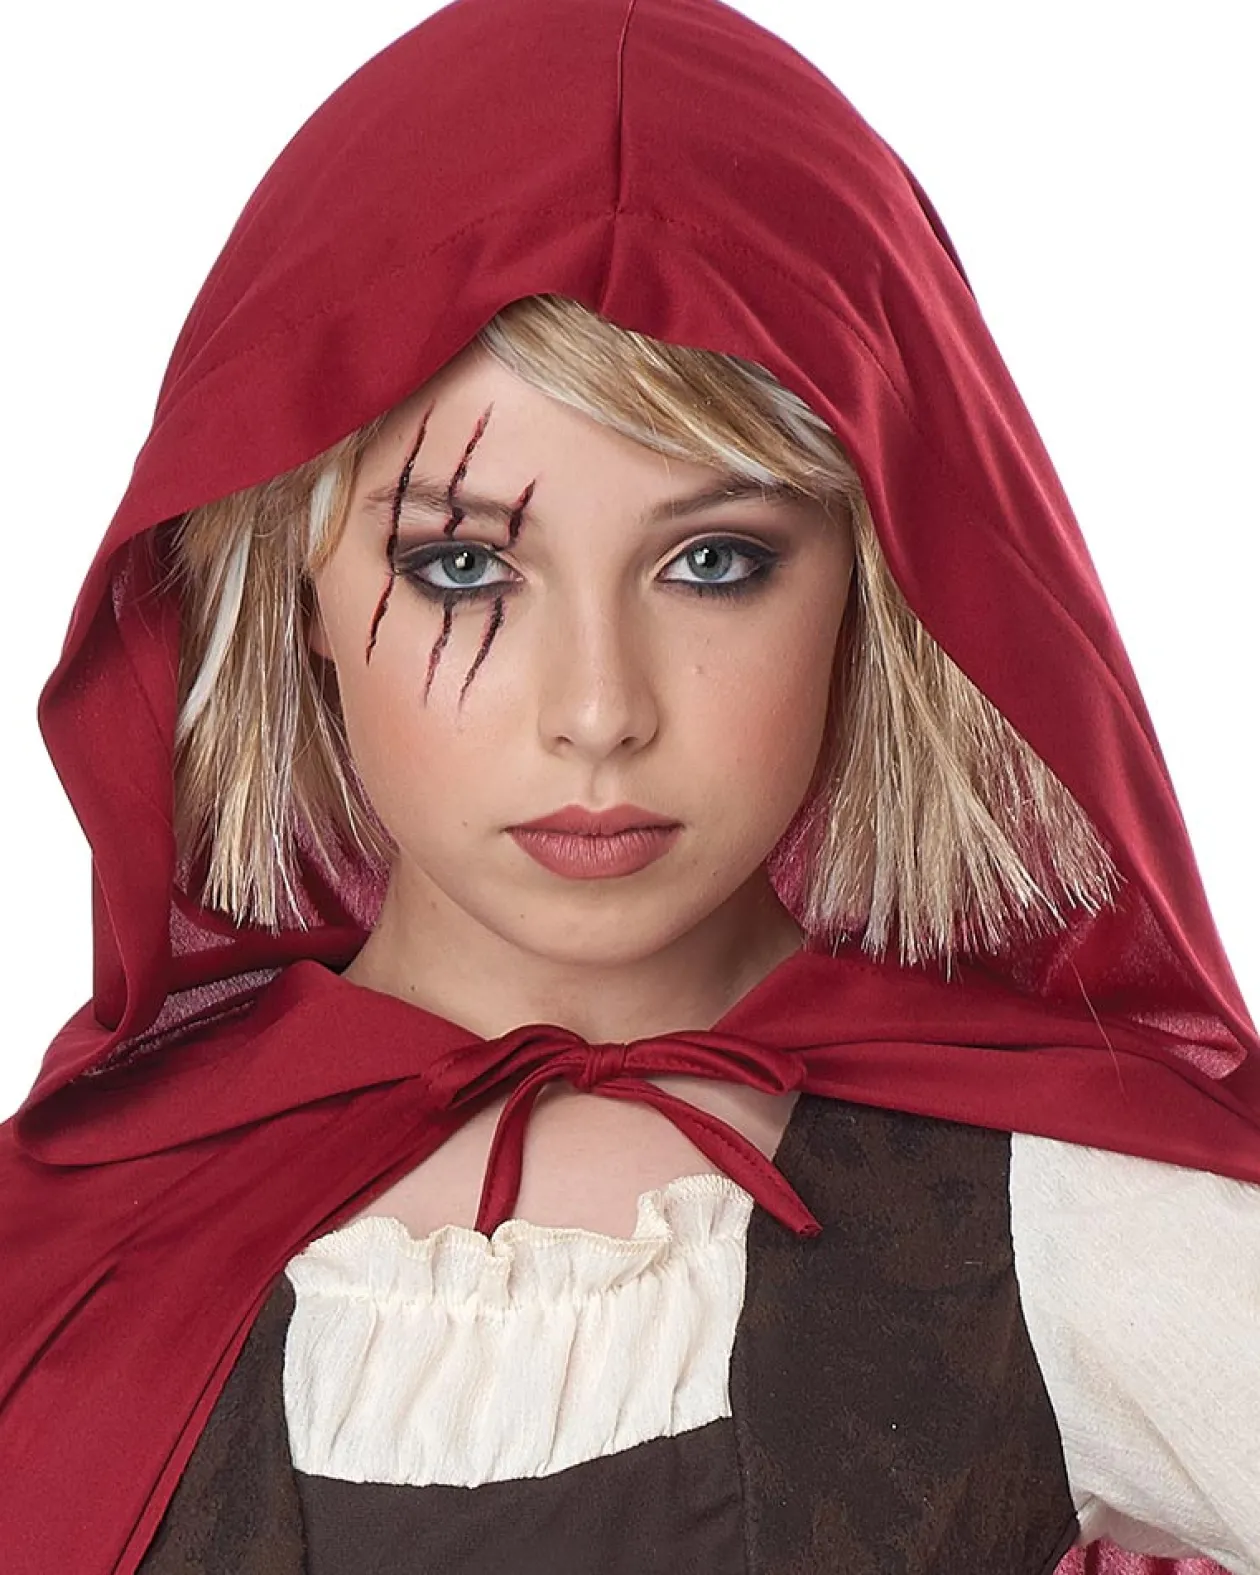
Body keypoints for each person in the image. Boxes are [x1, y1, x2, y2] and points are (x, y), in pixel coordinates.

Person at [0, 1, 1255, 1572]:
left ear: (876, 577)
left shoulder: (1070, 1219)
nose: (599, 710)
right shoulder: (70, 1264)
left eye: (714, 562)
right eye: (463, 567)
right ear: (294, 581)